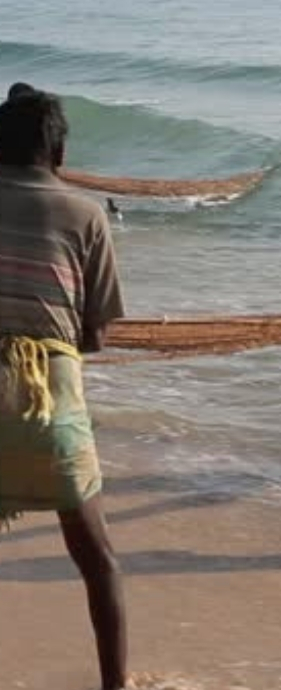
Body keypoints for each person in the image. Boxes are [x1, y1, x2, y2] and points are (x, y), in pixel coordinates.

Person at [0, 91, 128, 690]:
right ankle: (114, 685)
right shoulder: (85, 214)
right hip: (49, 399)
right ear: (60, 151)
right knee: (96, 557)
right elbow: (94, 335)